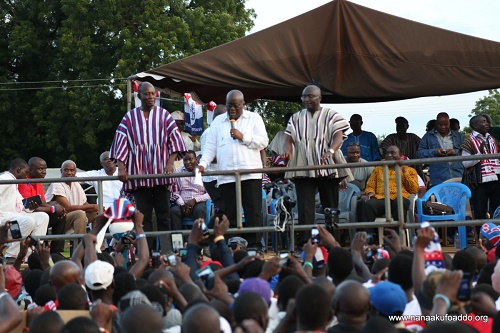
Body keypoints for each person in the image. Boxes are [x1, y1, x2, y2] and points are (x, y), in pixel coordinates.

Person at [110, 82, 186, 253]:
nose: (151, 97)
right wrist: (121, 168)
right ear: (139, 96)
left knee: (163, 215)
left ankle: (166, 251)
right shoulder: (129, 117)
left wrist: (170, 163)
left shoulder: (164, 115)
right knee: (143, 217)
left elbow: (175, 140)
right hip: (139, 173)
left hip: (161, 173)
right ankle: (148, 252)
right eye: (147, 94)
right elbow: (121, 142)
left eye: (153, 94)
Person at [197, 89, 268, 248]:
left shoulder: (254, 119)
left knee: (253, 213)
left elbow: (263, 141)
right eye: (230, 106)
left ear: (243, 104)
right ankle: (234, 245)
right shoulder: (218, 122)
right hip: (227, 175)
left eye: (236, 106)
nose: (232, 109)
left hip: (250, 173)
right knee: (230, 214)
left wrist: (243, 137)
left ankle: (253, 247)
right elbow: (210, 149)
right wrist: (203, 164)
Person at [281, 85, 350, 233]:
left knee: (330, 206)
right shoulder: (296, 117)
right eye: (304, 96)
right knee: (305, 207)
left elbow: (339, 135)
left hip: (326, 162)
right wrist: (287, 150)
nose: (306, 99)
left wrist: (331, 150)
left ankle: (332, 241)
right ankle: (306, 242)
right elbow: (287, 139)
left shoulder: (331, 114)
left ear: (320, 98)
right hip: (303, 163)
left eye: (310, 96)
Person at [0, 159, 49, 261]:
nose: (26, 175)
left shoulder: (15, 182)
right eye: (26, 172)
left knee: (43, 217)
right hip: (3, 218)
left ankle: (32, 255)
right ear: (18, 170)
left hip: (13, 217)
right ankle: (11, 255)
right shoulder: (5, 178)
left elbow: (22, 205)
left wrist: (31, 207)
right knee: (28, 221)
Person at [45, 160, 98, 253]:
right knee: (80, 214)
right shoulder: (57, 183)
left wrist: (97, 208)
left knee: (98, 213)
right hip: (59, 221)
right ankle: (80, 249)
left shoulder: (76, 184)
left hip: (72, 218)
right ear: (61, 171)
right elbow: (68, 207)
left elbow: (85, 204)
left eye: (72, 170)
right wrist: (93, 205)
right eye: (66, 170)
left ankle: (97, 246)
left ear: (75, 172)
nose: (69, 173)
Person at [18, 157, 67, 251]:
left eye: (45, 169)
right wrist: (54, 209)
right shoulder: (24, 182)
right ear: (30, 170)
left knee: (60, 216)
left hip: (38, 214)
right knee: (46, 215)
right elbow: (28, 208)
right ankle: (39, 250)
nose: (44, 172)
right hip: (27, 215)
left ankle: (56, 252)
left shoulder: (38, 182)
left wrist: (57, 209)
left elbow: (43, 202)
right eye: (40, 169)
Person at [361, 145, 419, 222]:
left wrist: (404, 171)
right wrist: (371, 192)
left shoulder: (410, 170)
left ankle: (399, 232)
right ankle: (369, 233)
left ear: (400, 155)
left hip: (400, 198)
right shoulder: (378, 169)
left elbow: (414, 190)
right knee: (368, 205)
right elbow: (370, 186)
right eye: (387, 153)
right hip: (382, 198)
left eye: (393, 153)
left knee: (399, 202)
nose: (389, 155)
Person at [461, 115, 500, 219]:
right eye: (483, 121)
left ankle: (496, 233)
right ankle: (481, 235)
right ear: (475, 125)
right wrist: (479, 154)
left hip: (496, 179)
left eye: (487, 121)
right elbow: (465, 163)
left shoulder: (492, 139)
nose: (487, 123)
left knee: (497, 209)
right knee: (480, 211)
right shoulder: (468, 141)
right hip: (478, 182)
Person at [417, 112, 464, 187]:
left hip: (458, 176)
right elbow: (420, 153)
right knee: (440, 199)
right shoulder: (428, 137)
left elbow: (467, 151)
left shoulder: (459, 136)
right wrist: (435, 151)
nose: (443, 127)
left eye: (446, 124)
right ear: (436, 123)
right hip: (438, 179)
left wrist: (454, 152)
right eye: (440, 124)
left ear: (449, 123)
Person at [170, 150, 211, 230]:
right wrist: (182, 204)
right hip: (182, 203)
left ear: (196, 160)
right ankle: (178, 241)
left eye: (190, 159)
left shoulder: (204, 171)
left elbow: (209, 193)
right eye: (185, 160)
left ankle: (199, 240)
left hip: (198, 201)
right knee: (173, 211)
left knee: (199, 210)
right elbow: (174, 191)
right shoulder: (178, 172)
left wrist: (194, 200)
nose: (188, 162)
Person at [200, 104, 227, 211]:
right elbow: (210, 158)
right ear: (216, 117)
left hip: (221, 177)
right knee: (225, 209)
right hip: (212, 178)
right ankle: (208, 228)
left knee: (226, 210)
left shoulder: (222, 132)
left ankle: (210, 228)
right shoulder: (208, 134)